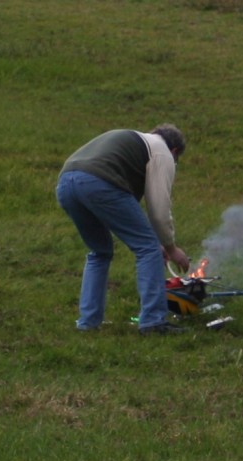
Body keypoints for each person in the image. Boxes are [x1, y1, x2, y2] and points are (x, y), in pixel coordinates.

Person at [56, 124, 192, 335]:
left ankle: (88, 323)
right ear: (174, 151)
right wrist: (170, 247)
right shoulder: (162, 151)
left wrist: (156, 241)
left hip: (66, 183)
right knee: (147, 249)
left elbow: (127, 215)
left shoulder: (136, 142)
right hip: (100, 183)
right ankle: (153, 322)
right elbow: (159, 209)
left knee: (100, 252)